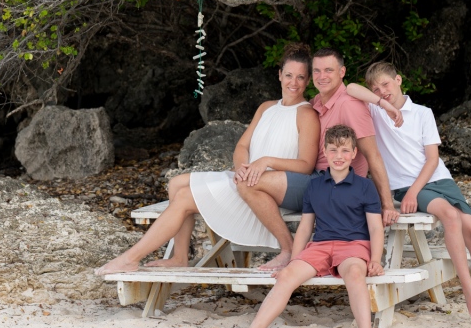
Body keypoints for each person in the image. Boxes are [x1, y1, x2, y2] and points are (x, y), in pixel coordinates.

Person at [95, 43, 320, 275]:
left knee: (185, 198)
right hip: (250, 175)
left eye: (300, 77)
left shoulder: (306, 114)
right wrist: (242, 165)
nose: (294, 82)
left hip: (278, 183)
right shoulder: (266, 108)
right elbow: (242, 145)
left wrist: (265, 161)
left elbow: (306, 165)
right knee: (176, 183)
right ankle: (180, 256)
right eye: (289, 75)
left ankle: (131, 258)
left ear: (308, 81)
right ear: (280, 75)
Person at [344, 61, 471, 326]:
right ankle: (468, 288)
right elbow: (350, 88)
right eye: (376, 88)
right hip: (403, 185)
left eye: (386, 85)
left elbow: (432, 159)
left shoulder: (422, 113)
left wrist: (416, 191)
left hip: (437, 179)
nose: (382, 91)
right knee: (450, 216)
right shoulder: (375, 110)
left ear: (399, 80)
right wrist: (383, 105)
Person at [217, 125, 385, 328]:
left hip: (353, 246)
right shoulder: (315, 186)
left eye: (345, 151)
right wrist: (295, 260)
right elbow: (306, 227)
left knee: (354, 273)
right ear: (324, 151)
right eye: (333, 150)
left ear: (354, 154)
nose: (339, 156)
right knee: (287, 276)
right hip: (320, 246)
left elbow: (375, 228)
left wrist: (375, 260)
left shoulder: (365, 186)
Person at [310, 48, 402, 227]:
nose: (322, 76)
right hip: (317, 178)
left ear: (342, 72)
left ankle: (288, 248)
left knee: (257, 185)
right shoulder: (316, 102)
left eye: (328, 70)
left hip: (339, 182)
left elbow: (372, 155)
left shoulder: (349, 104)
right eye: (316, 71)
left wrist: (387, 204)